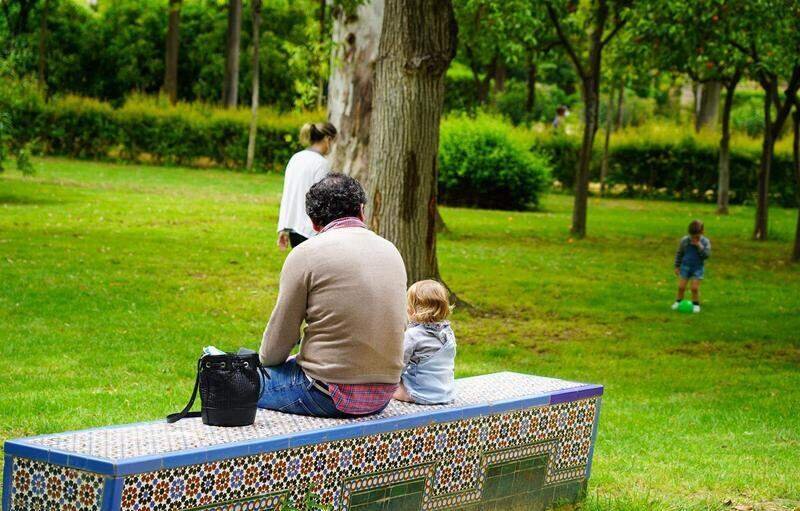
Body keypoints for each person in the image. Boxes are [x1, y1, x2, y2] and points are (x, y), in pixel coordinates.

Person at [258, 173, 408, 418]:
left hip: (327, 394)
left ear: (314, 223)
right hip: (384, 394)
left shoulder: (306, 254)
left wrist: (265, 363)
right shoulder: (391, 251)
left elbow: (275, 346)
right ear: (361, 211)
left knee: (236, 380)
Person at [393, 280, 456, 405]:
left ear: (413, 310)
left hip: (421, 393)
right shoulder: (448, 333)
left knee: (389, 389)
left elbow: (399, 365)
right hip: (446, 392)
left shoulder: (413, 335)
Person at [276, 122, 337, 249]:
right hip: (311, 231)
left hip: (294, 228)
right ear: (328, 139)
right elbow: (322, 199)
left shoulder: (296, 158)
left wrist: (282, 227)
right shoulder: (321, 163)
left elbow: (288, 194)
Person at [672, 219, 711, 313]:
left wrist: (699, 246)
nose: (694, 238)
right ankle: (678, 302)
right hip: (685, 267)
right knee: (681, 287)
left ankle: (696, 304)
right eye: (692, 236)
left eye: (696, 236)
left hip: (697, 268)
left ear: (702, 232)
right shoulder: (685, 241)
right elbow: (679, 253)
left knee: (694, 288)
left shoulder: (705, 242)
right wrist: (677, 266)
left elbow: (706, 255)